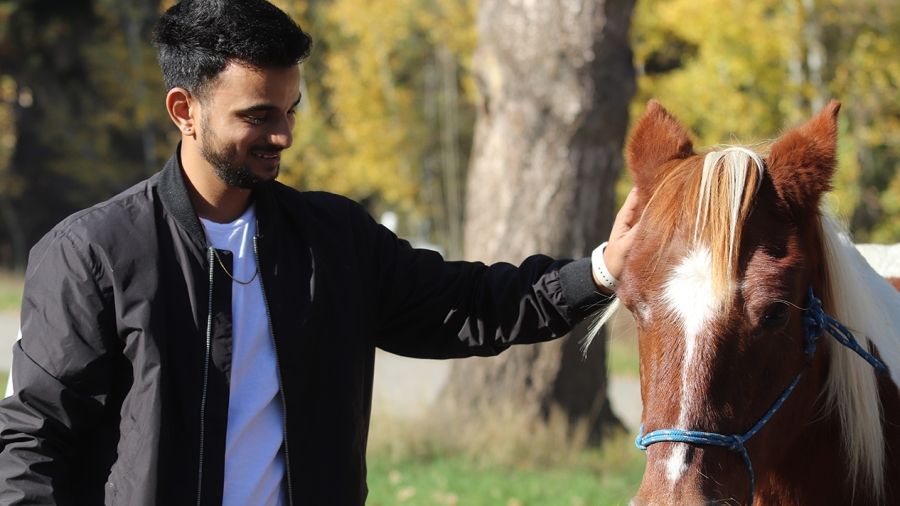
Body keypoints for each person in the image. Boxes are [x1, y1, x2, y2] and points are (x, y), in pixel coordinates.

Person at [0, 0, 639, 504]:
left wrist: (603, 269)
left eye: (290, 110)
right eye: (257, 115)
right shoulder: (92, 253)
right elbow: (33, 439)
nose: (282, 133)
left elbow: (471, 305)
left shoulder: (334, 239)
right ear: (183, 110)